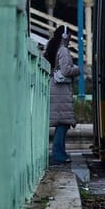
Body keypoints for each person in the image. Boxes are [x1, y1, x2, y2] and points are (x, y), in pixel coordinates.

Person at [45, 27, 78, 164]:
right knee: (63, 123)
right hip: (61, 90)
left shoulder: (52, 47)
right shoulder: (63, 50)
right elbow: (65, 70)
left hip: (54, 88)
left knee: (61, 122)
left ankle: (60, 153)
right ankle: (58, 154)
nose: (71, 38)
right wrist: (77, 69)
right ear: (65, 35)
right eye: (69, 35)